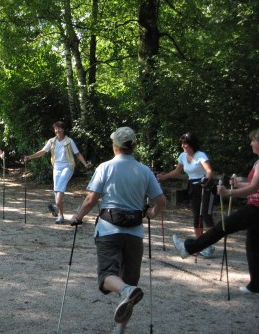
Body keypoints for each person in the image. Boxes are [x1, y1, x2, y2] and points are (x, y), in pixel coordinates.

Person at [69, 126, 166, 334]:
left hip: (108, 230)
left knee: (107, 277)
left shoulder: (105, 167)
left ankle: (126, 290)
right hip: (135, 233)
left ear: (115, 146)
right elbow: (161, 200)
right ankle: (120, 328)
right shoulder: (144, 171)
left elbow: (91, 199)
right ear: (133, 147)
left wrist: (78, 217)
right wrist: (151, 213)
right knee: (130, 281)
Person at [173, 128, 259, 295]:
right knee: (253, 246)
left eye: (253, 140)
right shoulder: (257, 162)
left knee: (222, 227)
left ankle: (189, 248)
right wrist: (237, 183)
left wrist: (229, 193)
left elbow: (254, 188)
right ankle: (255, 285)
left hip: (256, 208)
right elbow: (252, 185)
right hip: (255, 206)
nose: (250, 143)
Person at [157, 132, 216, 258]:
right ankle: (201, 245)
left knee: (206, 215)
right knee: (196, 216)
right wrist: (164, 177)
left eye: (186, 143)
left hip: (205, 187)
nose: (183, 146)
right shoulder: (183, 156)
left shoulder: (200, 155)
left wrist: (205, 180)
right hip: (193, 187)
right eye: (182, 143)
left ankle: (210, 244)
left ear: (192, 144)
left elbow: (209, 171)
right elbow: (177, 171)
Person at [24, 121, 92, 224]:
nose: (57, 130)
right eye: (56, 129)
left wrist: (85, 164)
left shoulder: (69, 141)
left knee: (60, 187)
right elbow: (42, 151)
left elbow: (77, 154)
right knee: (57, 191)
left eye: (59, 128)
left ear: (63, 130)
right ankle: (60, 215)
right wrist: (30, 157)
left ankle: (56, 206)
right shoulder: (52, 141)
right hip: (56, 167)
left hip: (68, 167)